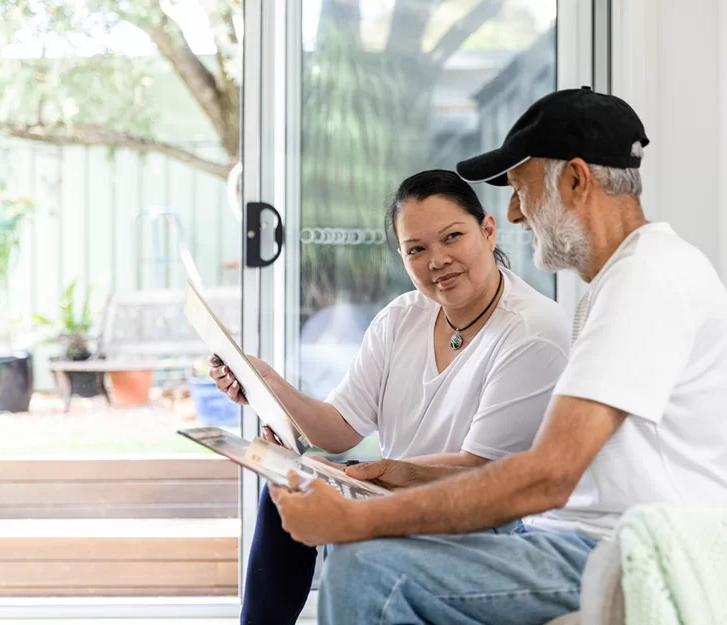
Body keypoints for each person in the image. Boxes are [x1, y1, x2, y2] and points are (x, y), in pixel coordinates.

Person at [269, 87, 727, 625]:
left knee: (367, 568)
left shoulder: (643, 282)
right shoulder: (630, 276)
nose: (513, 212)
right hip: (567, 535)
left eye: (519, 189)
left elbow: (546, 474)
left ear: (577, 181)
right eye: (416, 249)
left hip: (616, 549)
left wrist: (359, 520)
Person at [209, 169, 570, 625]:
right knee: (287, 487)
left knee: (316, 489)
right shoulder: (402, 317)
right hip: (401, 496)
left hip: (485, 521)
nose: (437, 260)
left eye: (452, 237)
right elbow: (339, 427)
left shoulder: (531, 331)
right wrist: (267, 383)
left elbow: (480, 471)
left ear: (488, 230)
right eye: (416, 250)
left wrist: (356, 478)